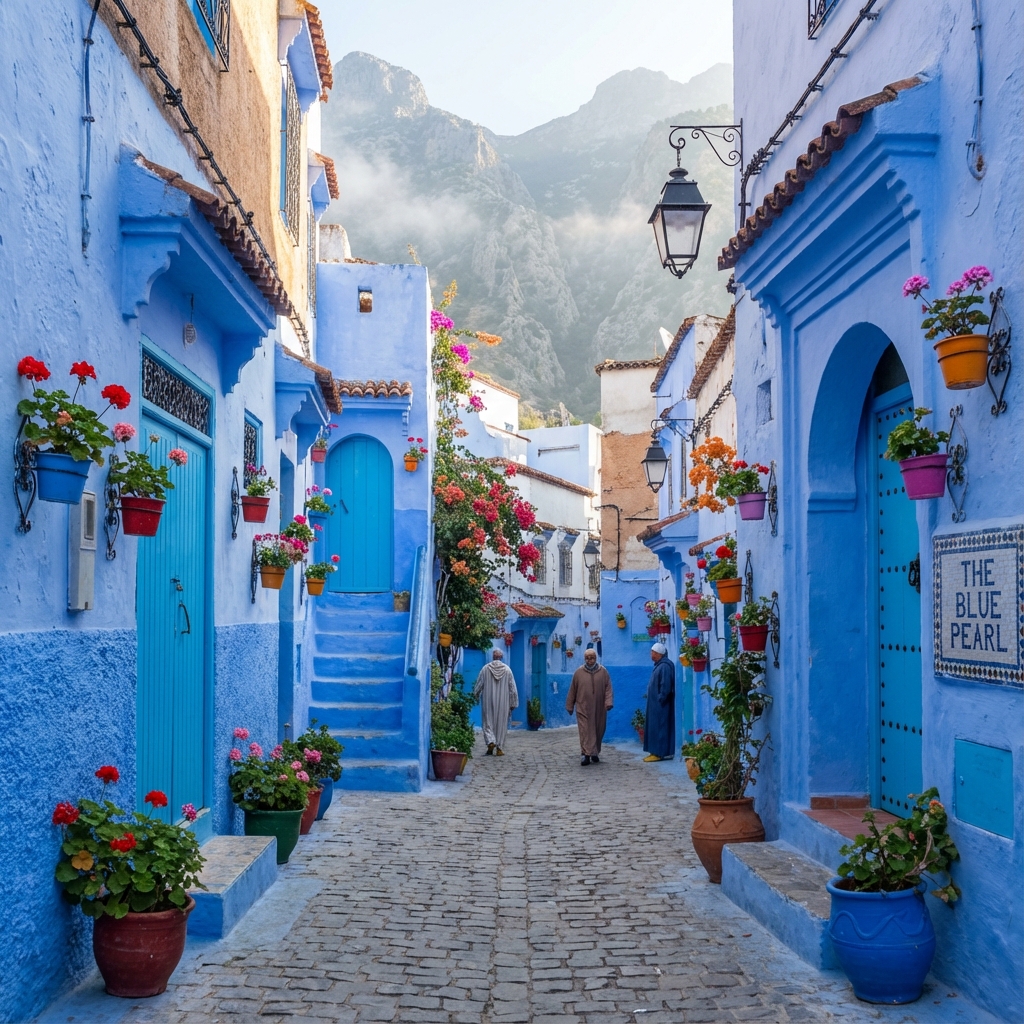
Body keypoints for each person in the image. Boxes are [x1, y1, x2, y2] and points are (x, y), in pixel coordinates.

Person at [565, 648, 613, 766]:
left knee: (598, 729)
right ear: (584, 659)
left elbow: (608, 688)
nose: (589, 660)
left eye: (592, 658)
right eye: (587, 658)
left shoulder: (603, 672)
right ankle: (585, 754)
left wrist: (608, 702)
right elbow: (573, 690)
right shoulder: (578, 673)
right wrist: (570, 705)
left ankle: (595, 752)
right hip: (583, 707)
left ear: (596, 658)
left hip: (599, 708)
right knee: (585, 730)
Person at [473, 648, 519, 756]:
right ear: (501, 657)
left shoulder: (485, 669)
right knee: (501, 724)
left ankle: (490, 741)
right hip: (504, 702)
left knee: (488, 722)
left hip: (488, 700)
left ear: (493, 657)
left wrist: (476, 695)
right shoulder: (507, 670)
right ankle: (499, 748)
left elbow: (479, 684)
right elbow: (512, 688)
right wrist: (513, 704)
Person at [643, 642, 675, 762]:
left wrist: (660, 699)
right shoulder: (659, 665)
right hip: (655, 705)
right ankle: (654, 751)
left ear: (658, 654)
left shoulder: (665, 666)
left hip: (660, 705)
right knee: (654, 727)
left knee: (660, 727)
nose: (651, 654)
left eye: (653, 652)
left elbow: (665, 686)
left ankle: (658, 752)